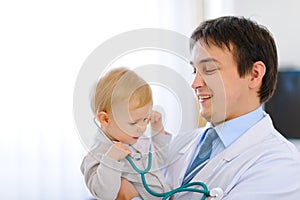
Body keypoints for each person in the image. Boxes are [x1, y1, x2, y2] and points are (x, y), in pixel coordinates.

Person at [116, 16, 300, 200]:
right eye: (194, 71)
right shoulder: (179, 144)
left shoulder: (281, 164)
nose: (195, 83)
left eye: (209, 69)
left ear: (254, 74)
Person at [80, 68, 171, 200]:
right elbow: (104, 195)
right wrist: (112, 160)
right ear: (105, 119)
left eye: (145, 119)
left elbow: (160, 159)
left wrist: (158, 131)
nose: (142, 128)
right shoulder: (96, 157)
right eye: (133, 123)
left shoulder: (137, 139)